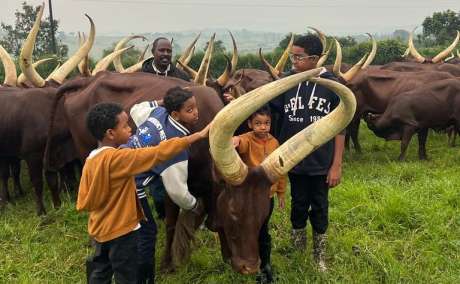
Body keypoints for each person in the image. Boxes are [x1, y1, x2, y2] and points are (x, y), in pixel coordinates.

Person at [77, 102, 209, 283]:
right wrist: (197, 136)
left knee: (101, 268)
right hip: (122, 232)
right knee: (127, 272)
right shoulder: (119, 159)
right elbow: (157, 153)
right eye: (124, 126)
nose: (130, 128)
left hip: (99, 228)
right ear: (110, 133)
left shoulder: (92, 158)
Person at [269, 34, 345, 272]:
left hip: (321, 161)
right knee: (298, 203)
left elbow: (341, 128)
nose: (293, 60)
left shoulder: (333, 85)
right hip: (294, 159)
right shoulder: (288, 81)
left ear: (313, 58)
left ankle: (319, 254)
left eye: (298, 56)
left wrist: (336, 165)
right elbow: (270, 110)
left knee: (320, 206)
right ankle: (298, 252)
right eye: (292, 55)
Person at [126, 86, 203, 283]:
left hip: (121, 158)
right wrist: (195, 205)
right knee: (147, 232)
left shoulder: (158, 112)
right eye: (189, 110)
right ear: (176, 114)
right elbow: (177, 192)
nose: (196, 113)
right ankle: (144, 278)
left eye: (195, 107)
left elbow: (136, 109)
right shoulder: (174, 147)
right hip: (130, 184)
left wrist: (161, 103)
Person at [232, 105, 286, 284]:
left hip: (266, 197)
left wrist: (281, 193)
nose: (262, 127)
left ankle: (265, 264)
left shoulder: (274, 143)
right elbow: (239, 142)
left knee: (263, 230)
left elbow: (280, 169)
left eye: (266, 123)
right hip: (249, 197)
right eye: (258, 123)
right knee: (249, 230)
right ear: (249, 124)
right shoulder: (247, 139)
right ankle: (248, 258)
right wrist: (235, 141)